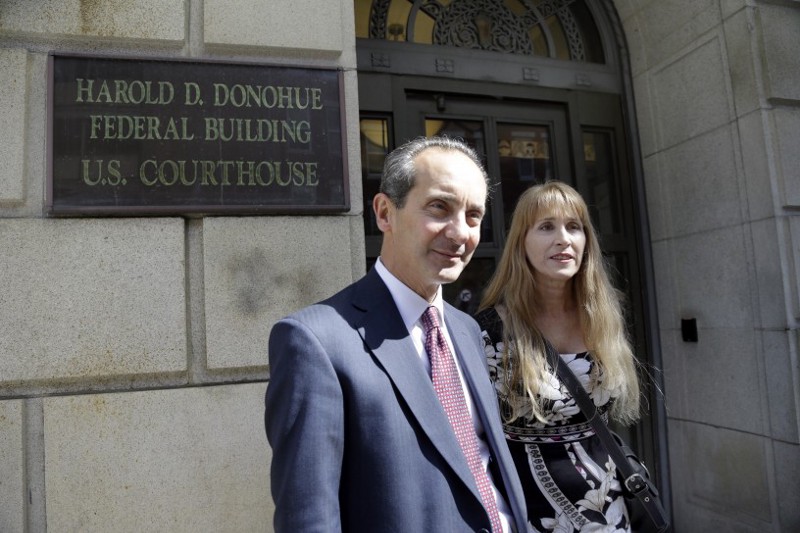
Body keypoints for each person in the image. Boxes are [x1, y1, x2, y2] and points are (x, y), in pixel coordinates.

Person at [265, 136, 528, 532]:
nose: (460, 233)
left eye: (473, 216)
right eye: (440, 207)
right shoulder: (315, 341)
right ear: (385, 212)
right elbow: (309, 518)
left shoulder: (468, 330)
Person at [475, 181, 641, 532]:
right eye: (546, 226)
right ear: (522, 241)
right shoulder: (488, 329)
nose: (563, 238)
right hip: (526, 511)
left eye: (574, 227)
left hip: (609, 508)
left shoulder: (602, 318)